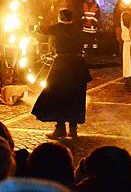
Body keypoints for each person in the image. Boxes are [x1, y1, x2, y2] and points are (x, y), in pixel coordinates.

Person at [32, 8, 92, 139]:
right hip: (77, 66)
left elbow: (43, 30)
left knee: (58, 95)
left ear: (60, 18)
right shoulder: (77, 30)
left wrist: (37, 24)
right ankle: (73, 129)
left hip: (62, 66)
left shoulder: (58, 28)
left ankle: (60, 129)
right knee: (74, 97)